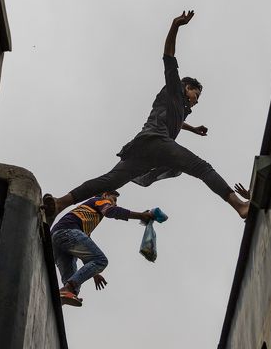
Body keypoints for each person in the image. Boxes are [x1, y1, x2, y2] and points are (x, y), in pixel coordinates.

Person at [42, 11, 252, 223]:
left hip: (142, 150)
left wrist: (192, 128)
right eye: (195, 95)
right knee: (202, 168)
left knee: (109, 181)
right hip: (157, 143)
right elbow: (169, 59)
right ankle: (241, 206)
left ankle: (60, 203)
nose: (196, 101)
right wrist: (175, 26)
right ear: (186, 87)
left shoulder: (177, 108)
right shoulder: (174, 90)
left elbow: (172, 120)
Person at [50, 190, 154, 307]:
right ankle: (66, 290)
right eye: (113, 199)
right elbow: (111, 212)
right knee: (101, 261)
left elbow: (85, 250)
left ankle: (58, 299)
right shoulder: (99, 201)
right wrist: (141, 215)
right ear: (105, 195)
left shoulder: (88, 218)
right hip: (66, 232)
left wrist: (94, 272)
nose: (115, 203)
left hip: (56, 241)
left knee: (73, 289)